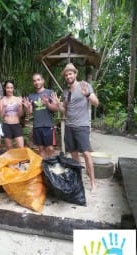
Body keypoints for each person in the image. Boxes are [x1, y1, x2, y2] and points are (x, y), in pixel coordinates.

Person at [60, 63, 99, 192]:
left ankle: (93, 183)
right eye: (66, 75)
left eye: (70, 73)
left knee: (87, 154)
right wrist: (58, 105)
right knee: (74, 155)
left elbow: (96, 103)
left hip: (82, 126)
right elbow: (66, 111)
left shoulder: (84, 85)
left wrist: (87, 94)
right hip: (69, 126)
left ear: (75, 74)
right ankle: (79, 180)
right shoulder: (66, 92)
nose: (68, 76)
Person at [23, 73, 58, 159]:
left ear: (42, 80)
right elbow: (29, 113)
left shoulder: (50, 92)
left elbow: (55, 108)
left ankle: (52, 167)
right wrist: (27, 108)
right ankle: (44, 169)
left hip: (48, 125)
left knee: (50, 148)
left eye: (38, 80)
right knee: (41, 149)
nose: (37, 82)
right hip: (37, 126)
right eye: (34, 80)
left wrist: (47, 104)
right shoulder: (31, 96)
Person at [0, 80, 24, 150]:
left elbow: (20, 114)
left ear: (13, 88)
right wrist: (4, 107)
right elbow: (1, 116)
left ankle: (21, 161)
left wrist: (19, 106)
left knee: (21, 147)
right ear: (5, 88)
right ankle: (12, 161)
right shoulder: (2, 100)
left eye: (11, 87)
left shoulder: (18, 99)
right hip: (6, 126)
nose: (9, 89)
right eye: (8, 88)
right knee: (9, 148)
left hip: (16, 125)